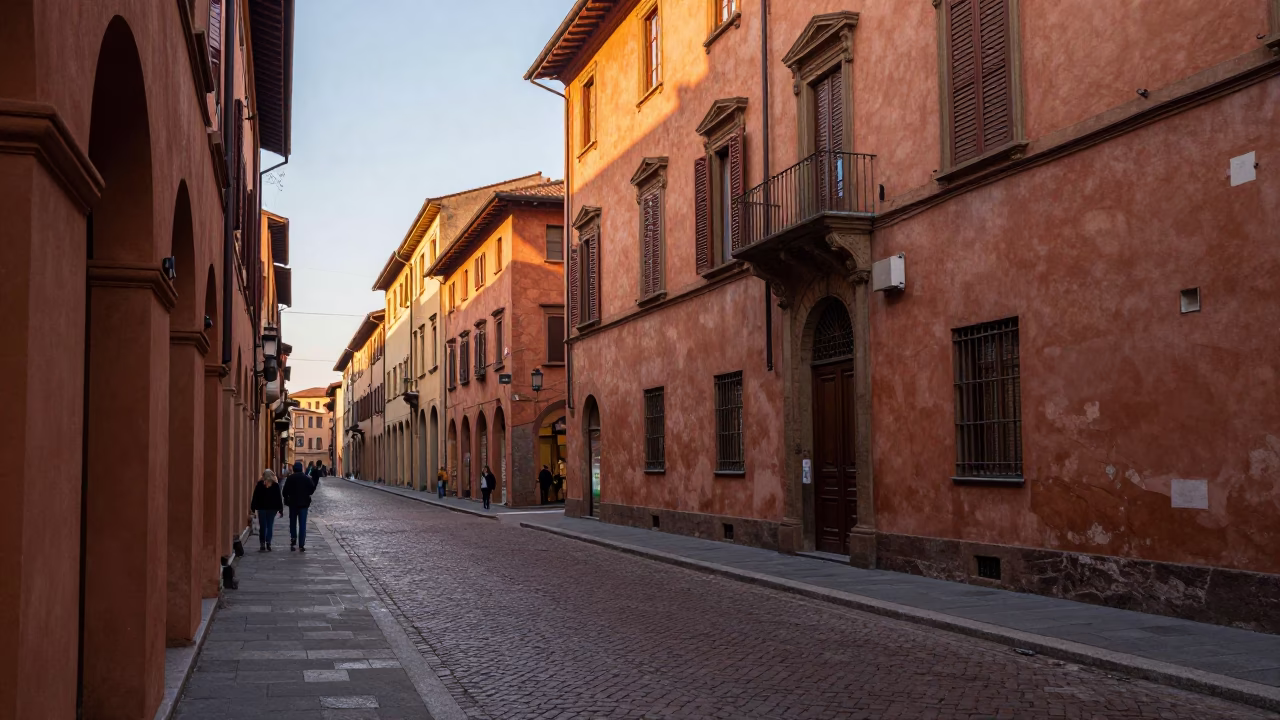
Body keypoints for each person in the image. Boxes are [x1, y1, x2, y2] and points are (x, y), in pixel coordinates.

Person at [282, 461, 316, 552]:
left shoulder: (290, 478)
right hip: (304, 504)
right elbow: (312, 490)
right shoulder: (306, 478)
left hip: (293, 504)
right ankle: (301, 544)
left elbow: (284, 491)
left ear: (294, 469)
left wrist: (287, 498)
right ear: (301, 469)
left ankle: (293, 539)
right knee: (302, 524)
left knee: (293, 522)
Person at [250, 469, 284, 552]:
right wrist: (280, 509)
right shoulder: (275, 485)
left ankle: (262, 543)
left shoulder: (260, 484)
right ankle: (268, 542)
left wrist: (253, 507)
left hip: (261, 508)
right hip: (272, 509)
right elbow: (279, 498)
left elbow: (255, 496)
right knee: (269, 526)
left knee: (262, 526)